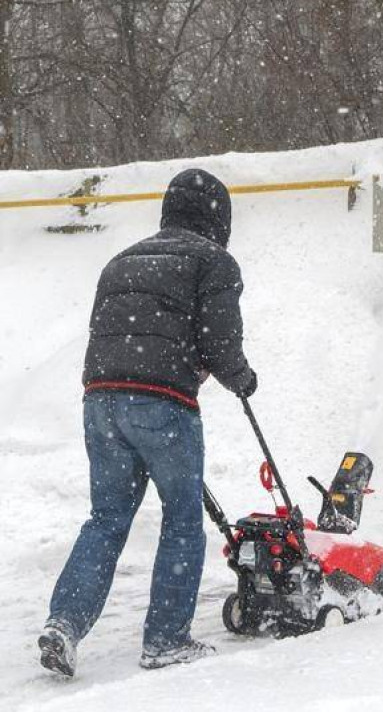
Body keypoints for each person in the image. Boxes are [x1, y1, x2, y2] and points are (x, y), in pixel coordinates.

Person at [38, 168, 257, 677]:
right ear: (218, 218)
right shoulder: (215, 261)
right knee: (182, 522)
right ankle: (165, 639)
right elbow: (219, 343)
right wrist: (242, 379)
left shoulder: (120, 261)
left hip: (100, 400)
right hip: (161, 403)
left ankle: (63, 623)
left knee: (107, 519)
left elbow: (104, 331)